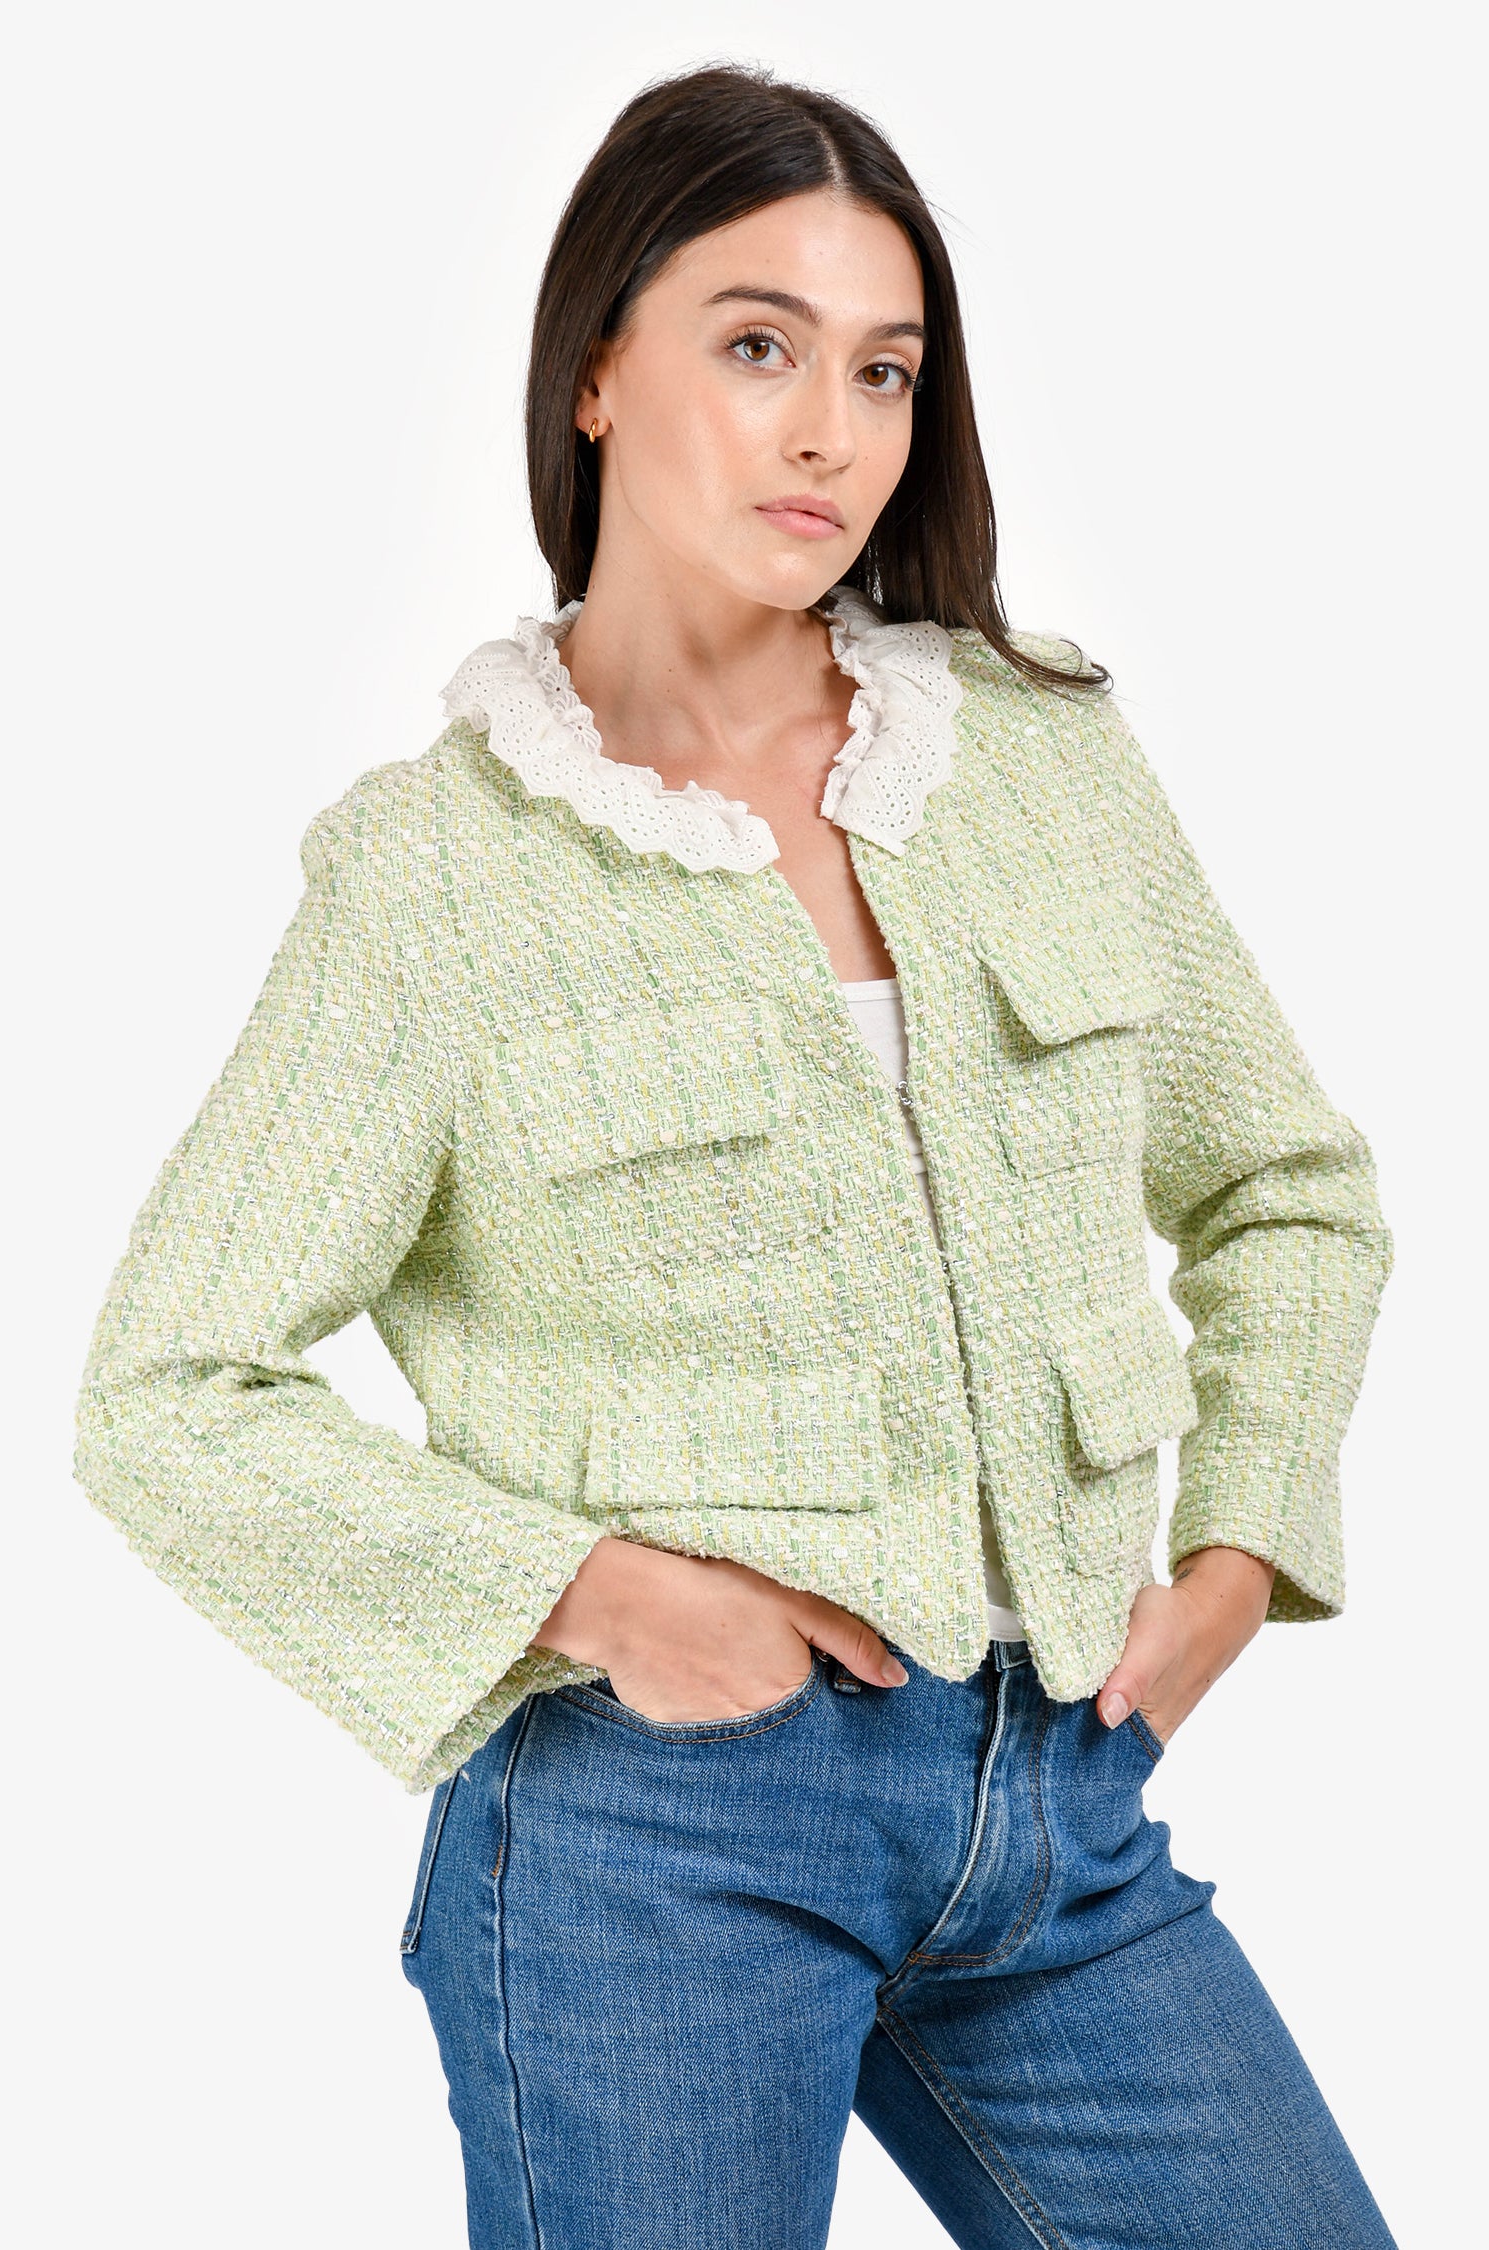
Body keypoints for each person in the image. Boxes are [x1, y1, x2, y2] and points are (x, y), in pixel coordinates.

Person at [73, 62, 1397, 2250]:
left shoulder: (1038, 759)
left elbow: (1287, 1188)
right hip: (654, 1840)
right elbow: (167, 1392)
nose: (831, 434)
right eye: (759, 345)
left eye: (884, 370)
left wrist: (1241, 1548)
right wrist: (597, 1599)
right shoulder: (433, 878)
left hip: (1063, 1801)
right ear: (597, 371)